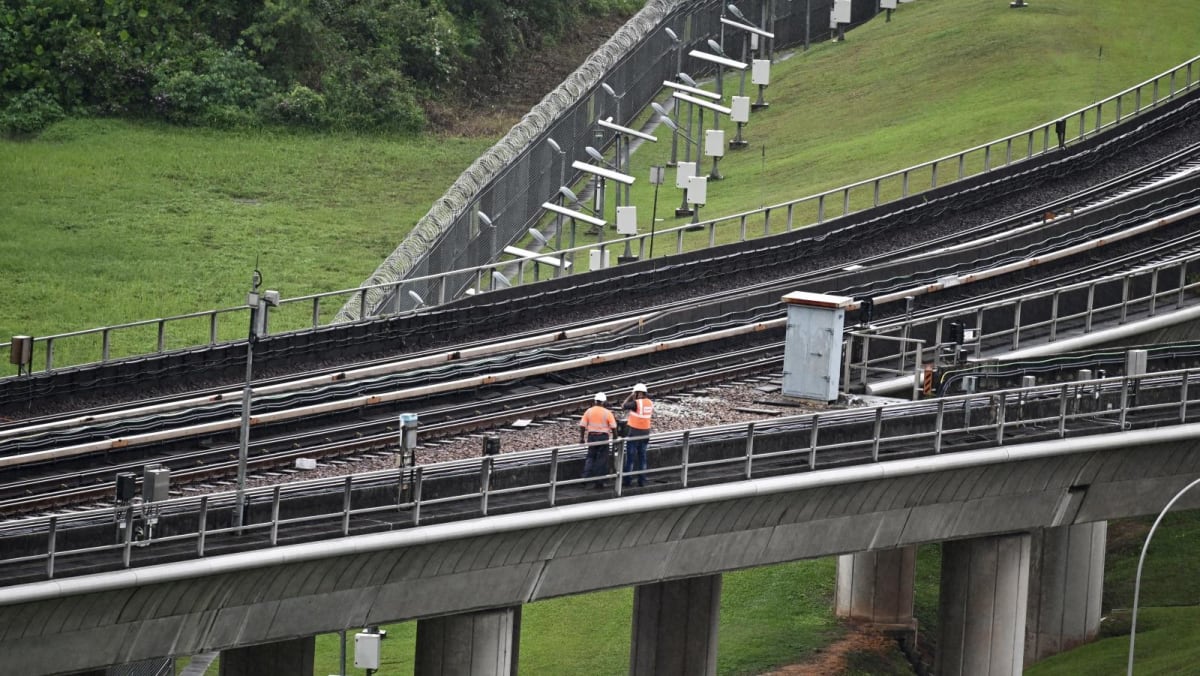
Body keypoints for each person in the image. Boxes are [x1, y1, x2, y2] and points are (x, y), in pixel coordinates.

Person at [580, 392, 617, 488]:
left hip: (592, 437)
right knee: (601, 460)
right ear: (604, 402)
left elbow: (582, 425)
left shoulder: (589, 411)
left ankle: (585, 478)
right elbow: (613, 427)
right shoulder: (607, 413)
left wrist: (581, 438)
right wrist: (615, 438)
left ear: (595, 401)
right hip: (603, 438)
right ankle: (599, 481)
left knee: (590, 457)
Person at [621, 383, 654, 487]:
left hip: (634, 434)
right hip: (645, 434)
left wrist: (630, 395)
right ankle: (642, 480)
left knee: (630, 458)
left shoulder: (636, 403)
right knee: (642, 457)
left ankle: (627, 481)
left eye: (635, 393)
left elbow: (623, 406)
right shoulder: (650, 402)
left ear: (638, 393)